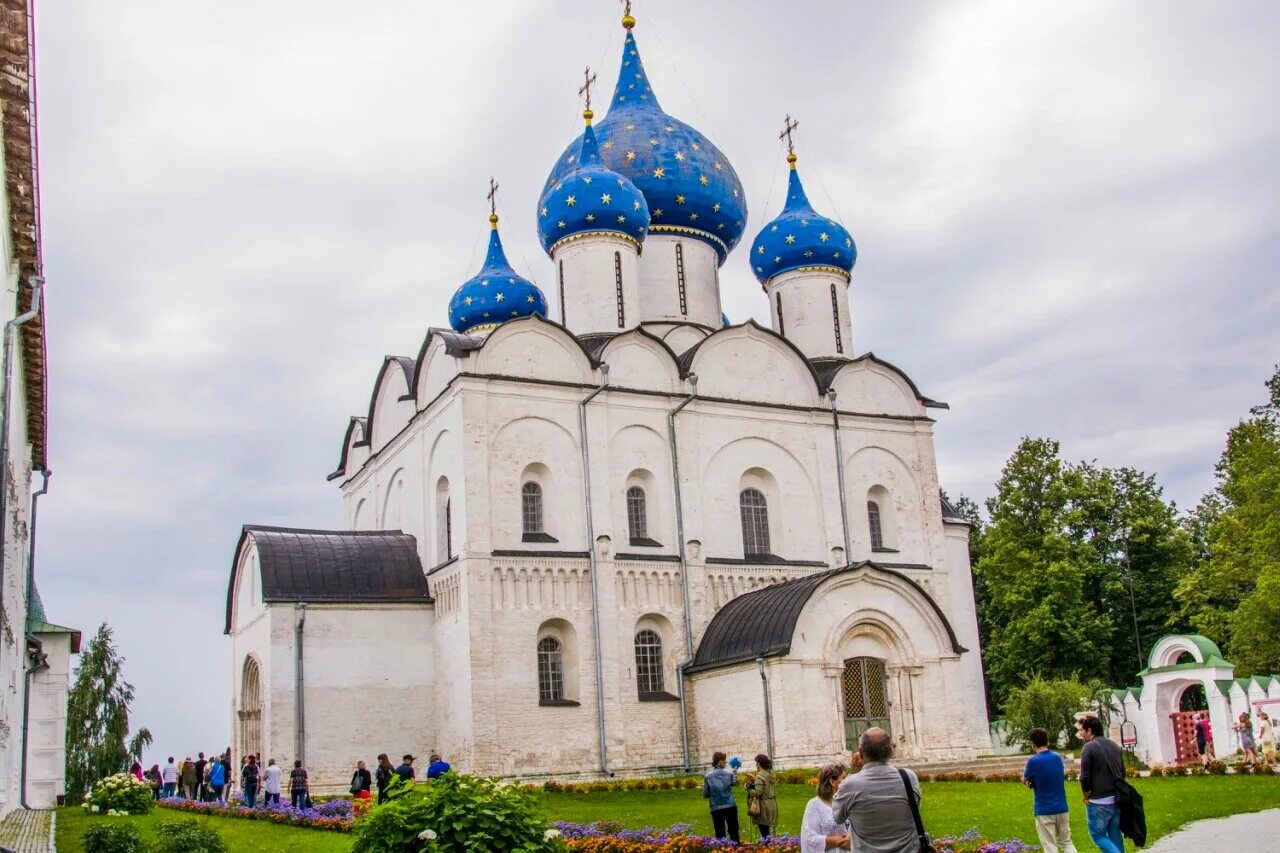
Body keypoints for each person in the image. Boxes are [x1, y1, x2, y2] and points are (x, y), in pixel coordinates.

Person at [832, 727, 923, 853]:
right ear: (890, 752)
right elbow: (915, 810)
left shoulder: (849, 785)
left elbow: (838, 817)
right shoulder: (908, 778)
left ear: (861, 753)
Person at [1023, 727, 1078, 853]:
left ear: (1033, 743)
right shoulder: (1057, 757)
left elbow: (1025, 780)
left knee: (1050, 846)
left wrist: (1031, 782)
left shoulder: (1033, 761)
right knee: (1067, 843)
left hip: (1044, 809)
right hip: (1062, 807)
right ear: (1047, 741)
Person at [1078, 715, 1125, 853]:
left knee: (1098, 836)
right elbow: (1123, 772)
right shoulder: (1114, 745)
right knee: (1115, 836)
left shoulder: (1089, 747)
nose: (1081, 733)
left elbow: (1084, 776)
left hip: (1098, 801)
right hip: (1116, 798)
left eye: (1082, 730)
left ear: (1090, 730)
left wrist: (1086, 795)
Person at [801, 763, 851, 853]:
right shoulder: (814, 805)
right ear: (832, 782)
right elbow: (809, 839)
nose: (847, 781)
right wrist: (839, 841)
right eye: (843, 778)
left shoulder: (848, 802)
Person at [702, 751, 739, 842]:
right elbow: (735, 783)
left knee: (719, 832)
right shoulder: (729, 773)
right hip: (730, 805)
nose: (726, 763)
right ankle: (736, 849)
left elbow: (706, 795)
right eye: (724, 761)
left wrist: (703, 791)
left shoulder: (708, 776)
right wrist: (735, 771)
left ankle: (722, 849)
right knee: (733, 830)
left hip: (716, 807)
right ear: (719, 761)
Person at [746, 753, 778, 840]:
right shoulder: (769, 774)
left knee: (764, 832)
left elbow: (758, 792)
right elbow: (765, 788)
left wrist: (749, 788)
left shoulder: (759, 775)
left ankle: (768, 848)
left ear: (759, 763)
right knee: (767, 831)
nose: (756, 765)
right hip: (771, 804)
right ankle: (771, 847)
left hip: (764, 806)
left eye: (756, 763)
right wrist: (753, 785)